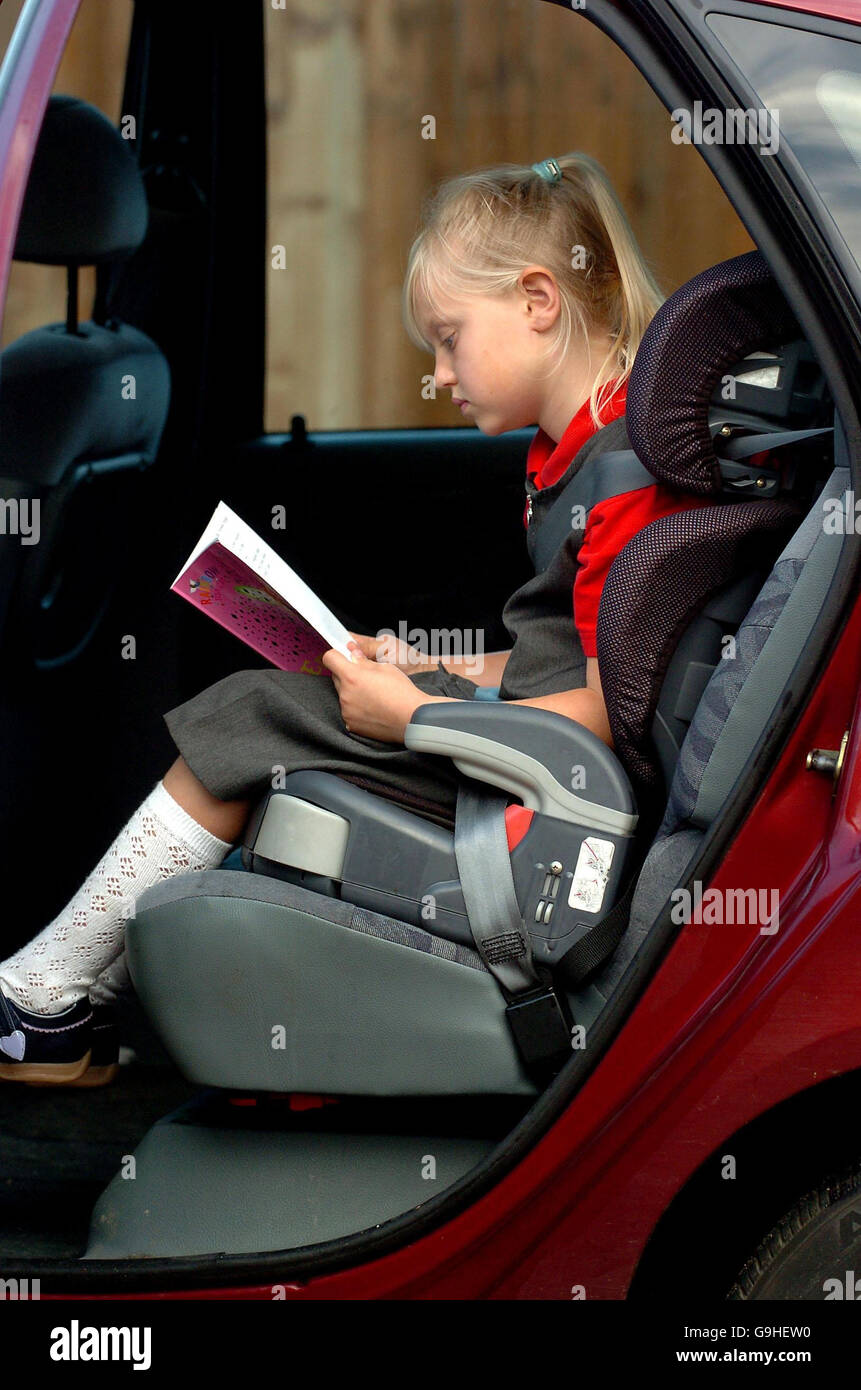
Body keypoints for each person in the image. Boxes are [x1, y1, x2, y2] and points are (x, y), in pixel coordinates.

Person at [0, 153, 706, 1084]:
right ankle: (79, 1000)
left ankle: (43, 994)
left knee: (257, 712)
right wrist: (428, 669)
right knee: (301, 691)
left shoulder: (620, 481)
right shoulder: (570, 450)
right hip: (529, 742)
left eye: (451, 339)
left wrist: (417, 716)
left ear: (539, 300)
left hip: (554, 791)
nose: (442, 373)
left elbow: (610, 716)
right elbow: (560, 661)